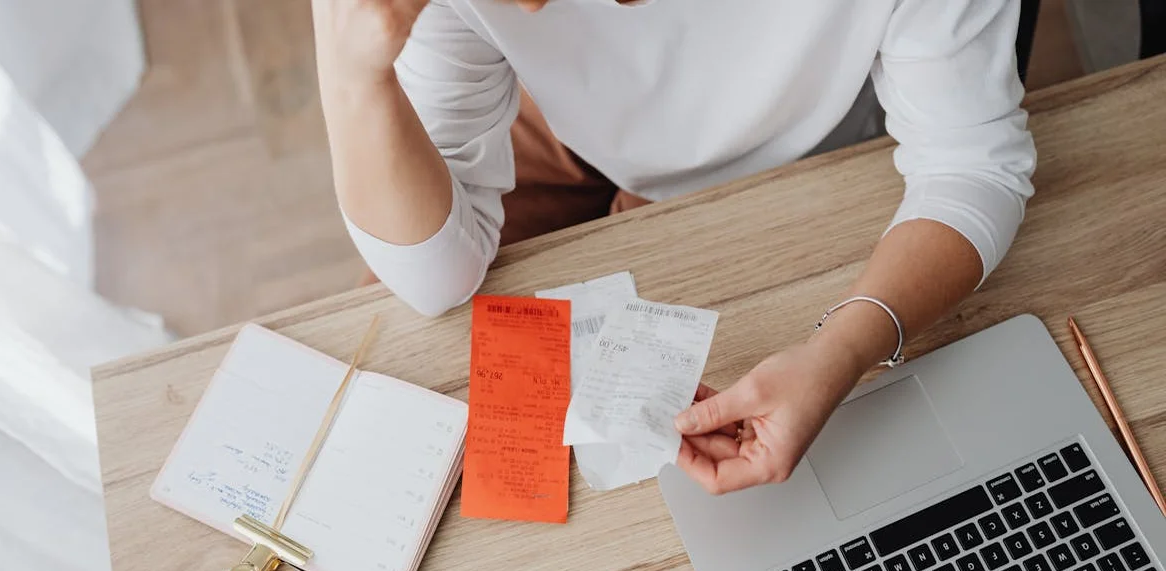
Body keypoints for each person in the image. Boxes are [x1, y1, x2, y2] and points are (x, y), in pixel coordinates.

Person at [312, 0, 1036, 495]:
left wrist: (842, 349)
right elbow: (435, 280)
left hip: (803, 126)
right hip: (544, 101)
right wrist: (351, 75)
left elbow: (972, 165)